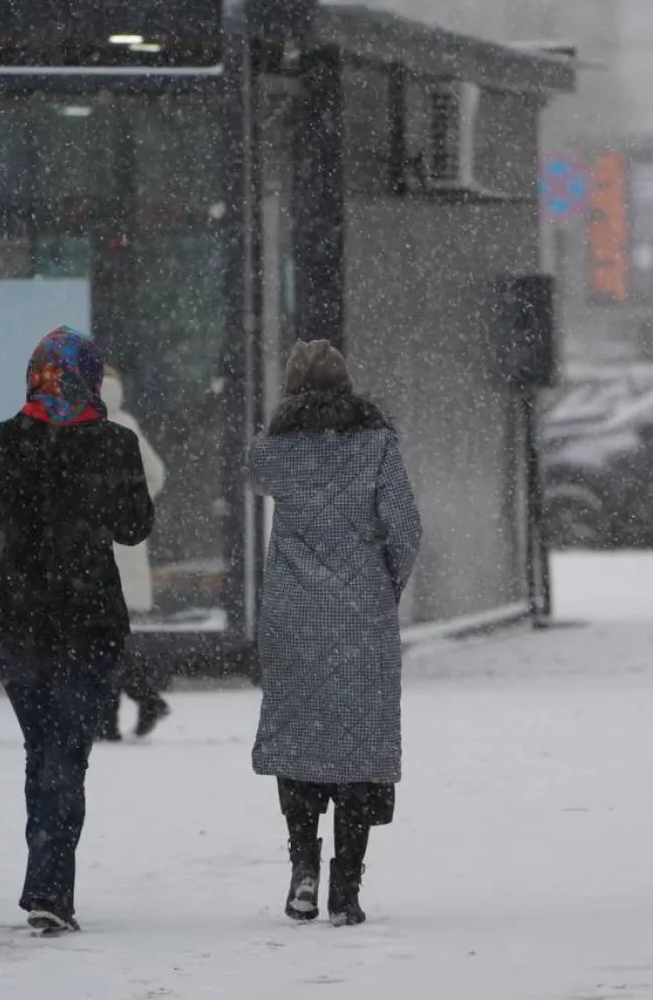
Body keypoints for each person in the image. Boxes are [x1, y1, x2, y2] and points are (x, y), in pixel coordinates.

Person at [0, 327, 154, 934]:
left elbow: (1, 517)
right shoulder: (113, 443)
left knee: (43, 751)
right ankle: (49, 886)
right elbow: (134, 528)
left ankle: (43, 879)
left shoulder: (1, 442)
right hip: (89, 617)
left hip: (20, 617)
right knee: (66, 755)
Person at [248, 339, 422, 927]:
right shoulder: (377, 445)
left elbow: (251, 468)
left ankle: (303, 869)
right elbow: (405, 527)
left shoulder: (275, 452)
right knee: (358, 749)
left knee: (299, 742)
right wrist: (383, 583)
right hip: (361, 618)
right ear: (348, 386)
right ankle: (346, 890)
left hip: (294, 617)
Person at [96, 364, 171, 742]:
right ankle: (134, 704)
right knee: (109, 638)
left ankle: (130, 706)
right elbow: (156, 474)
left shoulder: (79, 429)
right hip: (124, 544)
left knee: (100, 639)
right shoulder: (126, 425)